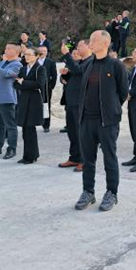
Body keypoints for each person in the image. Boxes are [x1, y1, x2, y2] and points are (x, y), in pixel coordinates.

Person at [61, 30, 128, 212]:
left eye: (93, 40)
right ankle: (88, 192)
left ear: (105, 43)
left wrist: (112, 109)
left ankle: (112, 193)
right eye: (89, 40)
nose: (90, 43)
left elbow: (123, 93)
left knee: (109, 158)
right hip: (86, 120)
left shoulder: (116, 65)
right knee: (88, 160)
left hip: (107, 121)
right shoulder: (89, 64)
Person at [58, 40, 92, 172]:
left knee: (81, 133)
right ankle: (74, 157)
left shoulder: (91, 61)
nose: (77, 49)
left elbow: (79, 72)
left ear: (88, 46)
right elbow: (73, 75)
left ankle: (84, 160)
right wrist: (65, 74)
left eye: (80, 47)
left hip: (81, 103)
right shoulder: (80, 62)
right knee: (72, 132)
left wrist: (67, 55)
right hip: (71, 102)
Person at [13, 47, 46, 164]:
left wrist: (24, 82)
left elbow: (40, 84)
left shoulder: (40, 69)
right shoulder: (23, 69)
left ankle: (31, 156)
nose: (26, 57)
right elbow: (15, 84)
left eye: (29, 54)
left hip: (34, 100)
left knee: (30, 128)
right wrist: (24, 84)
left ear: (36, 56)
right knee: (25, 129)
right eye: (25, 54)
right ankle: (27, 155)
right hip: (23, 99)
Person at [37, 45, 57, 133]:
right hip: (35, 87)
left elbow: (54, 75)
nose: (42, 52)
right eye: (41, 51)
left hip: (46, 87)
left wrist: (51, 86)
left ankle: (46, 124)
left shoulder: (50, 62)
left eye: (44, 51)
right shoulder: (34, 61)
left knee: (46, 105)